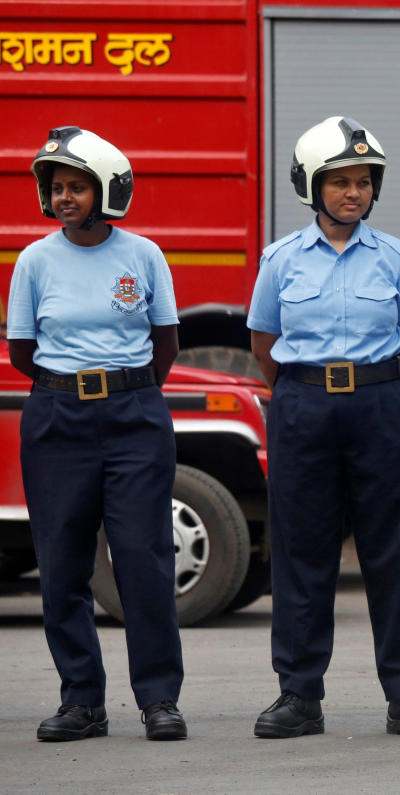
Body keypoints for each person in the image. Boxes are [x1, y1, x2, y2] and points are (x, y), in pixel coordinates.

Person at [247, 116, 400, 740]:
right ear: (312, 185)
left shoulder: (396, 258)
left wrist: (376, 389)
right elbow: (264, 343)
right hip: (304, 408)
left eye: (363, 181)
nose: (352, 193)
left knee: (395, 553)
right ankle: (299, 697)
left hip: (382, 407)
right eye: (338, 182)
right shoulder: (280, 260)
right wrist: (308, 393)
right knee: (302, 554)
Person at [7, 126, 187, 741]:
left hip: (134, 416)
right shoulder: (33, 261)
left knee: (143, 559)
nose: (64, 198)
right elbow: (24, 352)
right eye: (56, 188)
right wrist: (72, 387)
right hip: (58, 421)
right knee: (62, 565)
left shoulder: (143, 256)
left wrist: (123, 388)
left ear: (109, 191)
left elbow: (165, 346)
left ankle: (160, 699)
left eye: (77, 187)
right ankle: (82, 702)